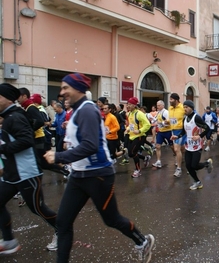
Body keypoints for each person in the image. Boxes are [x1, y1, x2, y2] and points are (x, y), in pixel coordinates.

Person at [43, 73, 154, 263]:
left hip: (98, 176)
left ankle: (142, 241)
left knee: (111, 219)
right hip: (79, 175)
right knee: (63, 222)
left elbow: (90, 145)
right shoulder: (78, 111)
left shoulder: (87, 110)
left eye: (65, 88)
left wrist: (59, 156)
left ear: (77, 88)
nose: (61, 93)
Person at [0, 83, 58, 254]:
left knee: (38, 208)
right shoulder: (9, 116)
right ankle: (9, 241)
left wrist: (2, 148)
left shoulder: (15, 117)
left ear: (8, 99)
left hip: (27, 173)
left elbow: (26, 140)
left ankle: (63, 230)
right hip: (12, 175)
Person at [171, 100, 213, 190]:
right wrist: (177, 136)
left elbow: (207, 128)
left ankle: (207, 163)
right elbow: (183, 132)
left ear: (192, 108)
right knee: (188, 166)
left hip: (197, 145)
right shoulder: (184, 119)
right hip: (188, 146)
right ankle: (197, 182)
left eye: (187, 107)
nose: (185, 109)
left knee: (194, 165)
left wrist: (199, 136)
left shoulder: (196, 118)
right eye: (184, 107)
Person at [125, 97, 152, 177]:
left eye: (130, 104)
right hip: (131, 136)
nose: (128, 106)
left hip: (140, 136)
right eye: (127, 104)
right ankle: (145, 158)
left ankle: (138, 170)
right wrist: (127, 129)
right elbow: (131, 125)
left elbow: (148, 124)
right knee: (130, 154)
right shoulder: (129, 113)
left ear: (134, 105)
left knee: (132, 153)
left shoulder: (139, 114)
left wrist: (140, 131)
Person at [168, 93, 186, 177]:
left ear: (176, 100)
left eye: (171, 99)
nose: (170, 101)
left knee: (177, 149)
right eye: (169, 99)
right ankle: (181, 161)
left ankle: (179, 168)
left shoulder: (183, 107)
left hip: (181, 130)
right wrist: (167, 122)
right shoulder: (170, 108)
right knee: (180, 149)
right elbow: (171, 119)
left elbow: (191, 114)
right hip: (173, 130)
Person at [152, 100, 174, 168]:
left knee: (172, 146)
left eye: (159, 105)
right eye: (157, 105)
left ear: (162, 105)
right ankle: (158, 162)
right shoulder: (158, 112)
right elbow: (155, 119)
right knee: (157, 146)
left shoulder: (166, 112)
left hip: (168, 131)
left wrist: (160, 123)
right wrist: (153, 122)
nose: (157, 106)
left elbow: (169, 122)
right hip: (160, 132)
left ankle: (177, 156)